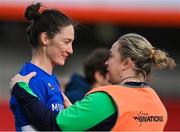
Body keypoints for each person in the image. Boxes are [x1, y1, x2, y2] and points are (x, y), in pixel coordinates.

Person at [10, 33, 176, 131]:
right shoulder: (157, 105)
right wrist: (77, 112)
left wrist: (22, 88)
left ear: (127, 63)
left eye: (111, 56)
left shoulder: (108, 98)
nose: (106, 63)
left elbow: (53, 125)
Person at [9, 2, 75, 131]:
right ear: (45, 38)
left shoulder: (52, 79)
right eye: (66, 42)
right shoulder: (30, 79)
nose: (70, 50)